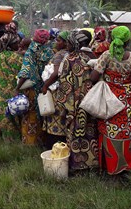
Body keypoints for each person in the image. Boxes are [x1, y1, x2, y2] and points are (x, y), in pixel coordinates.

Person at [91, 26, 131, 176]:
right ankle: (124, 167)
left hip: (109, 100)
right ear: (127, 41)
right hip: (126, 100)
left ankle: (108, 167)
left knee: (108, 133)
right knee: (124, 134)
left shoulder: (106, 55)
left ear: (111, 38)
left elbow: (93, 77)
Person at [57, 30, 99, 171]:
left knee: (75, 133)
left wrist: (64, 106)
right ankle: (91, 162)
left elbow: (64, 83)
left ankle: (76, 165)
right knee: (90, 132)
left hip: (74, 105)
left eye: (68, 43)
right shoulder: (89, 58)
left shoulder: (69, 60)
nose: (67, 45)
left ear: (74, 43)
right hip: (89, 103)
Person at [16, 29, 54, 145]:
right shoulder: (49, 51)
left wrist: (17, 88)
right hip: (45, 87)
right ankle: (43, 140)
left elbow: (25, 72)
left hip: (32, 88)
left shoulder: (31, 51)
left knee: (31, 113)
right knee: (45, 111)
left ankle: (30, 141)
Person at [0, 32, 24, 140]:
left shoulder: (0, 56)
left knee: (2, 114)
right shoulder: (16, 57)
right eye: (16, 43)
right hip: (12, 91)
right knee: (13, 116)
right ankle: (13, 139)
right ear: (10, 44)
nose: (18, 45)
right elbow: (22, 73)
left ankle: (3, 138)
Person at [41, 31, 70, 148]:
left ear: (65, 42)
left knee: (55, 118)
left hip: (57, 90)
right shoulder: (70, 53)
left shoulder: (60, 55)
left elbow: (55, 73)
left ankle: (54, 147)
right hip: (65, 89)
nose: (56, 43)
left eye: (59, 40)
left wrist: (45, 86)